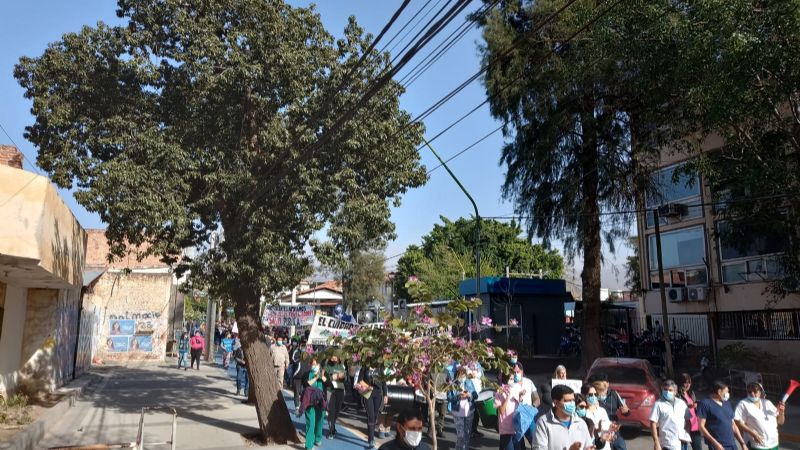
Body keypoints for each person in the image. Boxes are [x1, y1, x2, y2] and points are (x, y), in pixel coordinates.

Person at [534, 384, 594, 450]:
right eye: (567, 401)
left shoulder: (581, 423)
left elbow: (587, 445)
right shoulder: (543, 423)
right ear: (556, 403)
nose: (572, 403)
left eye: (573, 400)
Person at [734, 382, 785, 450]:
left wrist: (782, 412)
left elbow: (780, 422)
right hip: (758, 445)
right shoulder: (743, 404)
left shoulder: (767, 403)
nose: (752, 394)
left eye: (755, 391)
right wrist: (752, 433)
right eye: (749, 392)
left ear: (760, 392)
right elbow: (738, 422)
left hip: (774, 443)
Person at [697, 380, 746, 450]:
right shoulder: (705, 403)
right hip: (718, 446)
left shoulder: (727, 403)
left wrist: (742, 443)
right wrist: (715, 443)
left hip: (732, 444)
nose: (728, 394)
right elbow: (701, 426)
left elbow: (733, 425)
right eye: (726, 391)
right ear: (719, 391)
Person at [650, 379, 691, 450]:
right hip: (667, 444)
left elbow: (688, 421)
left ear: (675, 392)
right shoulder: (658, 404)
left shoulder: (681, 403)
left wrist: (687, 433)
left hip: (682, 441)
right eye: (665, 389)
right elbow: (652, 424)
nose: (667, 392)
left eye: (670, 390)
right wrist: (656, 443)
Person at [593, 377, 630, 450]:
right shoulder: (593, 402)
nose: (605, 386)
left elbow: (626, 411)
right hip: (601, 433)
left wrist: (626, 412)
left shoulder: (614, 394)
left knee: (621, 446)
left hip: (613, 429)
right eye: (602, 384)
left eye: (605, 384)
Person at [448, 367, 478, 450]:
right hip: (457, 411)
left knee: (467, 433)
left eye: (463, 374)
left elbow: (475, 395)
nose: (462, 376)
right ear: (457, 374)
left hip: (469, 410)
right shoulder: (453, 383)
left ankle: (465, 448)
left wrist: (469, 395)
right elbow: (449, 397)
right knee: (460, 434)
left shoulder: (469, 382)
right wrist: (458, 396)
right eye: (460, 374)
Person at [358, 365, 388, 449]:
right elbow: (359, 380)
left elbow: (384, 382)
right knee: (370, 415)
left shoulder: (379, 368)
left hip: (378, 393)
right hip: (367, 391)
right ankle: (371, 439)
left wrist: (385, 395)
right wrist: (367, 386)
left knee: (374, 416)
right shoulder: (365, 368)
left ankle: (370, 434)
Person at [495, 368, 524, 450]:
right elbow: (501, 411)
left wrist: (520, 397)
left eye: (513, 378)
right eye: (510, 379)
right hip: (505, 429)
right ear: (505, 379)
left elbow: (518, 406)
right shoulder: (499, 391)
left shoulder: (516, 388)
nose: (512, 381)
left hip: (515, 427)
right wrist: (508, 396)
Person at [513, 363, 540, 449]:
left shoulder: (529, 382)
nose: (516, 374)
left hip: (528, 416)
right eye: (514, 372)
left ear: (522, 371)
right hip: (514, 417)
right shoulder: (510, 383)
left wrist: (532, 407)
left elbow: (537, 399)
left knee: (535, 440)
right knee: (517, 444)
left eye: (518, 372)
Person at [303, 357, 327, 450]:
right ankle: (309, 445)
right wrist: (316, 377)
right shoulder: (306, 374)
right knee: (310, 423)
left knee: (319, 421)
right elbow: (306, 383)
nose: (314, 366)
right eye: (313, 364)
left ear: (319, 366)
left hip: (321, 403)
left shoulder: (323, 374)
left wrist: (323, 377)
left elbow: (328, 384)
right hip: (309, 403)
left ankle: (318, 439)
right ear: (310, 365)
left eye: (316, 364)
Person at [581, 384, 612, 450]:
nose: (593, 397)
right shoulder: (582, 412)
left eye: (595, 394)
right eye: (590, 395)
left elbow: (608, 428)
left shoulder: (602, 410)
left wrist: (611, 429)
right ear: (584, 395)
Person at [324, 354, 346, 438]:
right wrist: (334, 377)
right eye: (332, 356)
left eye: (336, 356)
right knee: (331, 411)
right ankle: (331, 430)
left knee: (337, 411)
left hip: (340, 390)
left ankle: (333, 426)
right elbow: (325, 379)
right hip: (331, 390)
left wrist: (342, 376)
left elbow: (345, 378)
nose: (334, 357)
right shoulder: (327, 367)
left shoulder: (341, 366)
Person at [679, 373, 703, 450]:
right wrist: (688, 406)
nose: (687, 385)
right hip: (684, 426)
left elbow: (695, 403)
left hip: (694, 425)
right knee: (683, 447)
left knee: (698, 448)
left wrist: (696, 404)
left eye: (689, 382)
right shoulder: (677, 394)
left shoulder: (691, 393)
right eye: (685, 382)